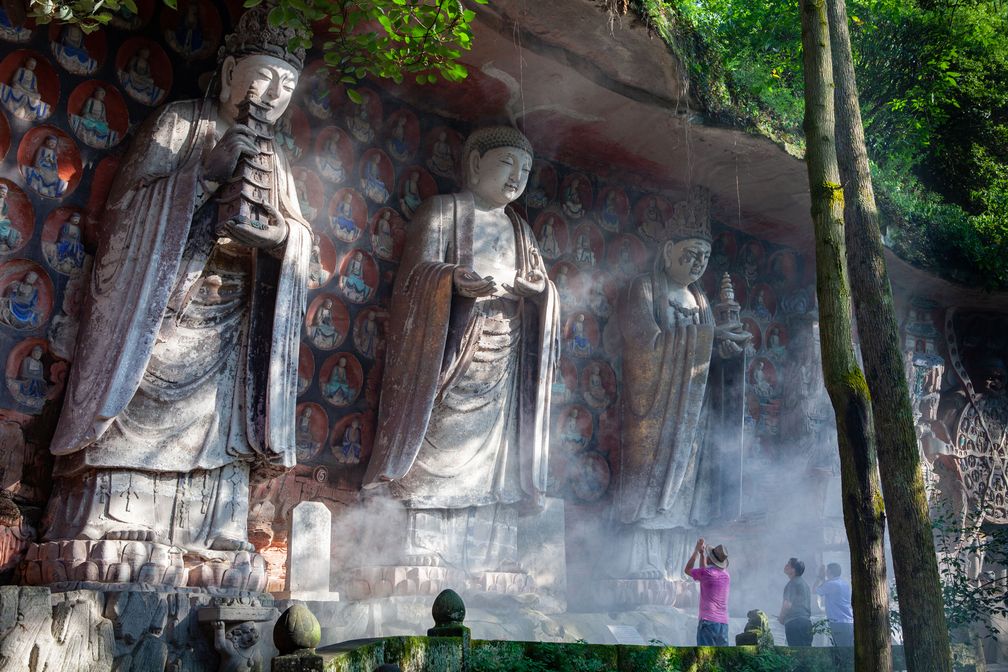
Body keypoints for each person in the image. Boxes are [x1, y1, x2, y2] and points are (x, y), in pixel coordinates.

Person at [42, 7, 310, 557]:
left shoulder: (276, 158)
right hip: (159, 312)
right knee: (135, 405)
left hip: (229, 323)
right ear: (231, 70)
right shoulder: (181, 122)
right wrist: (204, 173)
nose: (271, 94)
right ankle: (111, 518)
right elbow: (124, 215)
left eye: (286, 87)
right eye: (262, 77)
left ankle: (213, 529)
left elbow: (303, 245)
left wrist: (282, 236)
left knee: (218, 428)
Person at [363, 125, 559, 573]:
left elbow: (543, 287)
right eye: (507, 163)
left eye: (525, 169)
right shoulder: (442, 211)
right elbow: (413, 280)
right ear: (474, 163)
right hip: (450, 349)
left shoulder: (521, 230)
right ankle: (419, 543)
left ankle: (491, 553)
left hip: (504, 351)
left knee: (496, 457)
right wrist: (452, 279)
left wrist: (541, 292)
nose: (516, 176)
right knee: (435, 442)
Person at [684, 537, 730, 646]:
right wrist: (702, 555)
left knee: (705, 659)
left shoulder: (707, 574)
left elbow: (687, 570)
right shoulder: (726, 575)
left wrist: (696, 551)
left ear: (710, 559)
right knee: (720, 659)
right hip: (723, 624)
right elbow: (704, 572)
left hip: (708, 622)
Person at [815, 563, 854, 646]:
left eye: (826, 571)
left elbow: (815, 590)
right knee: (848, 649)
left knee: (840, 650)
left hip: (838, 623)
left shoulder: (831, 584)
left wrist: (819, 577)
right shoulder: (844, 584)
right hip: (849, 622)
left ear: (829, 572)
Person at [780, 557, 813, 646]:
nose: (785, 566)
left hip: (795, 623)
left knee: (796, 653)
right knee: (806, 653)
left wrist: (781, 618)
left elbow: (787, 604)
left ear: (793, 570)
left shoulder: (792, 584)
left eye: (788, 564)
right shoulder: (805, 584)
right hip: (806, 623)